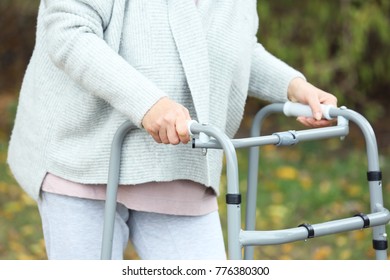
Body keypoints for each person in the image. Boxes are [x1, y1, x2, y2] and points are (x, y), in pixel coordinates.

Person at [7, 0, 337, 260]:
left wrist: (293, 86)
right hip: (81, 153)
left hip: (178, 161)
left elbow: (237, 46)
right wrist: (147, 103)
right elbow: (69, 32)